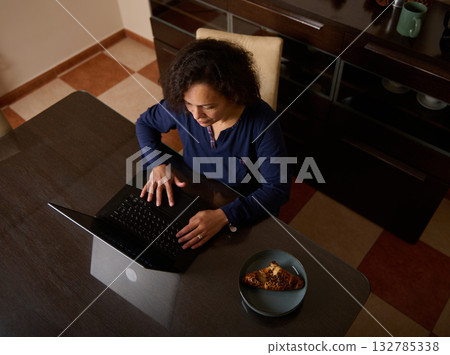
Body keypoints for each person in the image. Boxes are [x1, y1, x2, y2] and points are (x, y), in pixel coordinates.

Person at [136, 38, 290, 250]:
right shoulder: (184, 107)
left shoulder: (262, 122)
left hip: (241, 201)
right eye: (189, 104)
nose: (196, 114)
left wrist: (225, 215)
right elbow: (145, 123)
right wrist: (157, 164)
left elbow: (278, 189)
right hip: (195, 187)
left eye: (208, 106)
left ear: (234, 94)